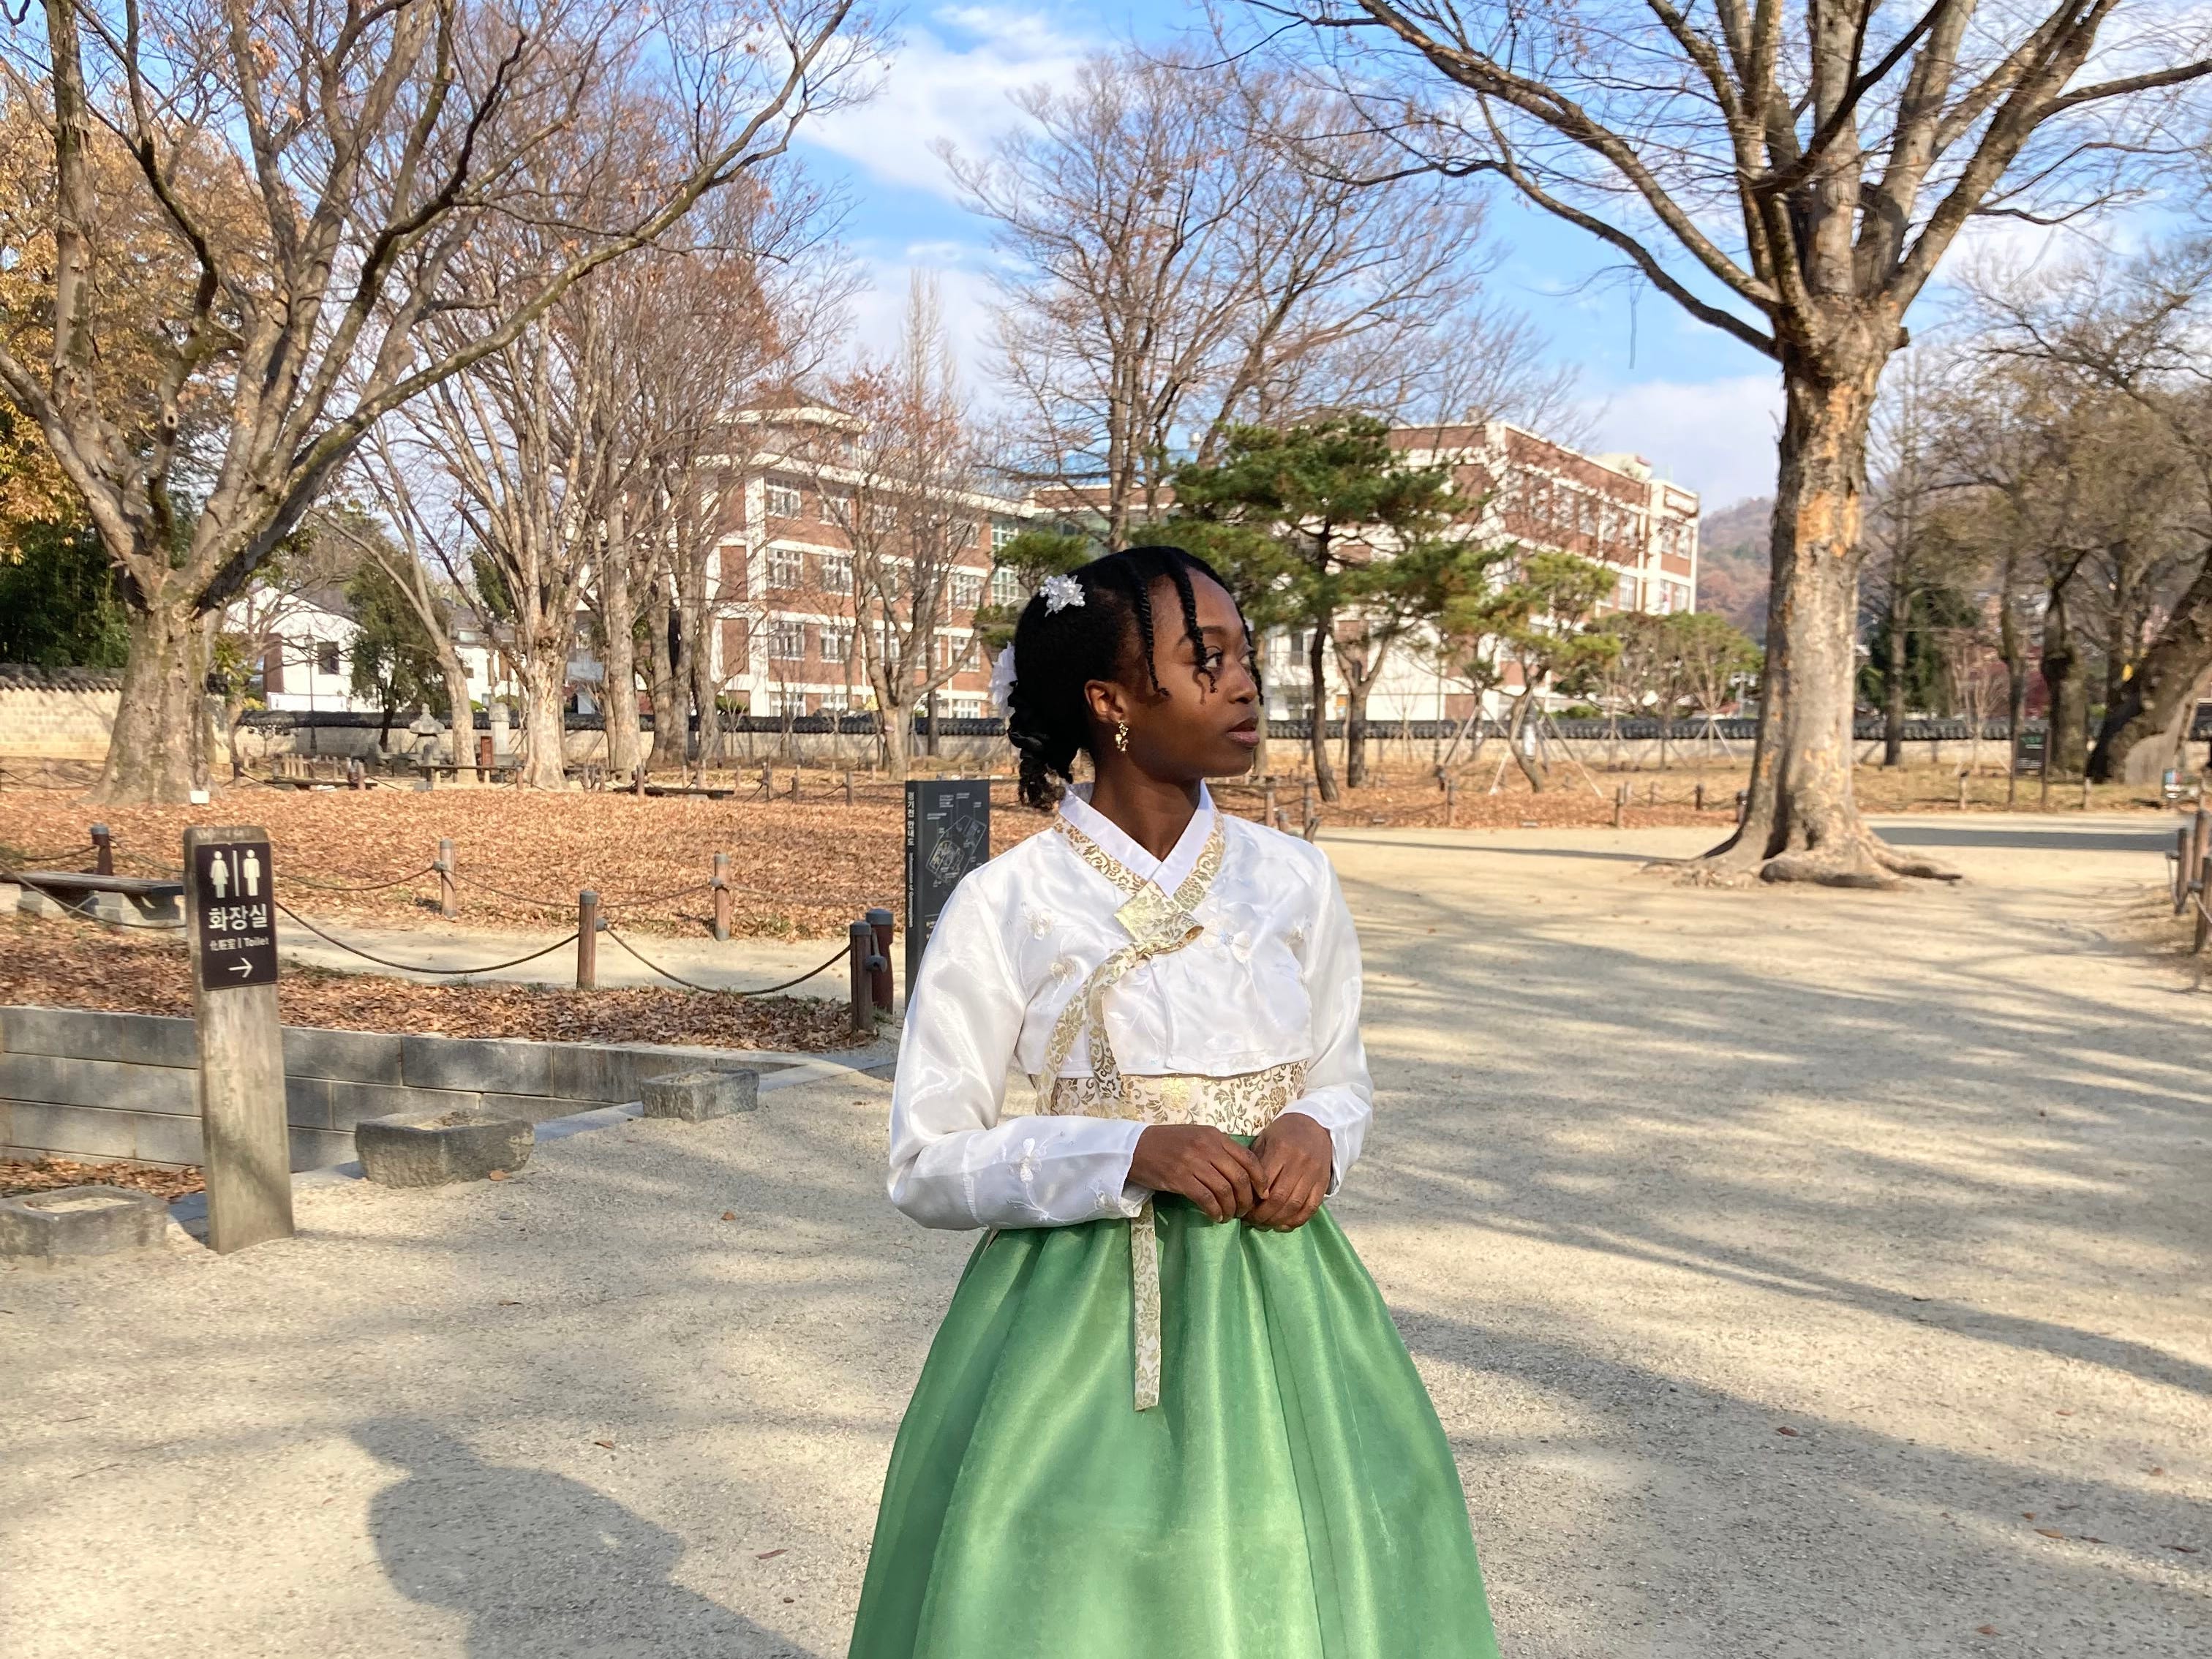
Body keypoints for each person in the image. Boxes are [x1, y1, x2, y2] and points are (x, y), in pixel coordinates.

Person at [847, 546, 1500, 1658]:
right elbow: (926, 1158)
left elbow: (1341, 1071)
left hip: (1291, 1297)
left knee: (1315, 1548)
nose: (1245, 683)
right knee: (1083, 1577)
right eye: (1205, 660)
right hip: (1080, 1315)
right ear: (1111, 702)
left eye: (1245, 655)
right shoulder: (1009, 903)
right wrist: (1125, 1151)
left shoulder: (1294, 879)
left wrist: (1316, 1130)